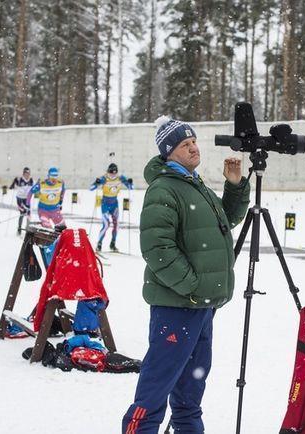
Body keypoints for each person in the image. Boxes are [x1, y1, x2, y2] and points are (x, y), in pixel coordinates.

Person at [122, 116, 250, 434]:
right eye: (184, 144)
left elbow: (223, 222)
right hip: (178, 305)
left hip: (200, 306)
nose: (193, 148)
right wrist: (192, 286)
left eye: (193, 141)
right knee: (156, 387)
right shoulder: (164, 189)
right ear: (169, 152)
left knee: (190, 392)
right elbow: (157, 248)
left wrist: (234, 185)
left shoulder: (193, 184)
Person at [90, 163, 133, 252]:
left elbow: (131, 188)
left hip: (114, 204)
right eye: (111, 173)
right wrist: (96, 183)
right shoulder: (104, 178)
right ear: (108, 172)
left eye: (114, 173)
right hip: (105, 203)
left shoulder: (120, 178)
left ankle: (113, 244)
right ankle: (99, 244)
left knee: (116, 225)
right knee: (106, 225)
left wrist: (129, 182)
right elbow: (91, 188)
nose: (112, 175)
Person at [10, 167, 34, 235]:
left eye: (28, 174)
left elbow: (34, 188)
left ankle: (27, 229)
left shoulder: (31, 180)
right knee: (22, 213)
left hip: (27, 199)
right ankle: (19, 229)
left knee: (29, 214)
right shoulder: (19, 180)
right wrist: (14, 182)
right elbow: (11, 187)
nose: (27, 175)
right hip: (20, 199)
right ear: (23, 174)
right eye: (26, 174)